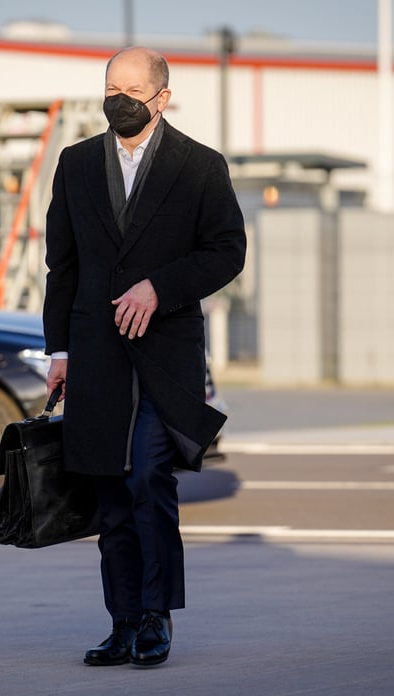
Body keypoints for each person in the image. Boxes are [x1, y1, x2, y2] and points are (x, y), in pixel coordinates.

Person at [43, 47, 246, 667]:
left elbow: (226, 252)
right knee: (109, 492)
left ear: (161, 97)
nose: (119, 98)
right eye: (111, 86)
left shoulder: (200, 167)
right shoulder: (76, 163)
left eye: (133, 89)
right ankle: (123, 621)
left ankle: (156, 617)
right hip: (96, 355)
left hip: (164, 358)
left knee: (146, 480)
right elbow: (63, 265)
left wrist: (160, 286)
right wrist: (59, 349)